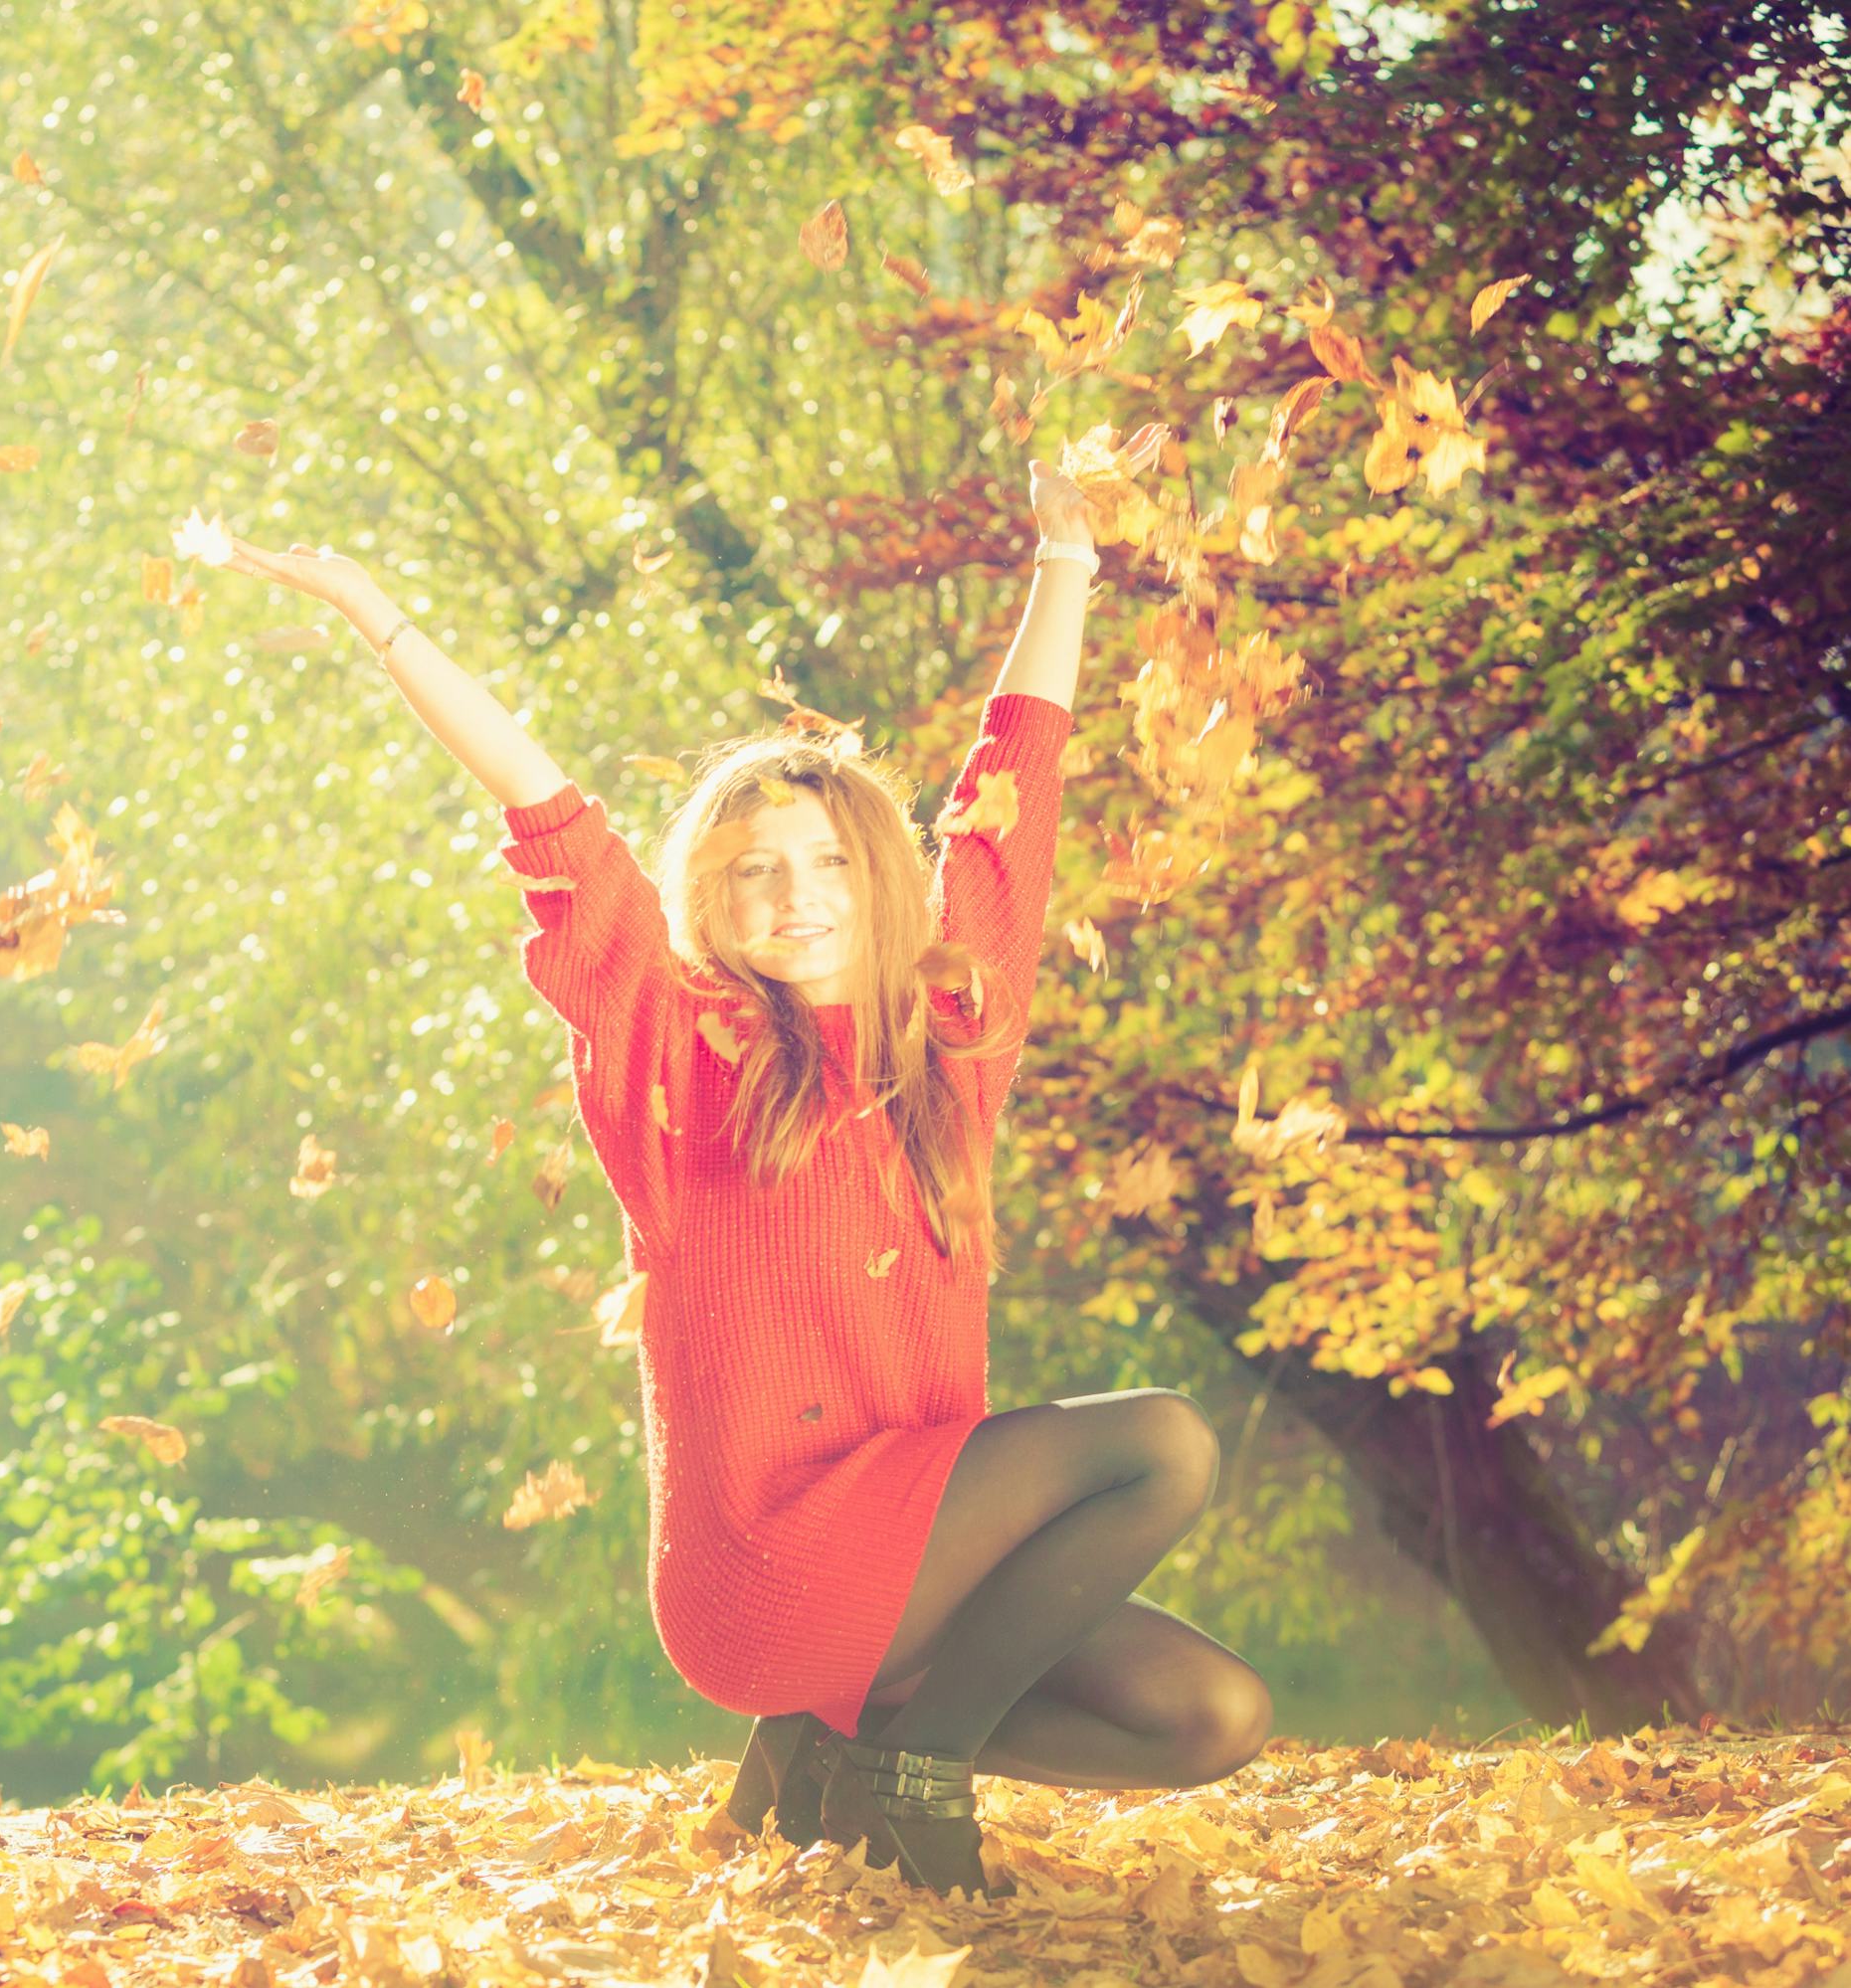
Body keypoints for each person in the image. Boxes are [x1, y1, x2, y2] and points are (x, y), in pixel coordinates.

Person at [216, 460, 1271, 1903]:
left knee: (1211, 1719)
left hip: (916, 1560)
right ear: (706, 896)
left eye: (829, 859)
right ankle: (917, 1766)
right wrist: (379, 618)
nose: (799, 894)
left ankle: (841, 1748)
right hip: (766, 1563)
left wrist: (1066, 559)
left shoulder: (952, 1030)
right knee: (1163, 1447)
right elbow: (546, 811)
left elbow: (1014, 785)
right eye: (755, 869)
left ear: (882, 876)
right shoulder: (680, 1045)